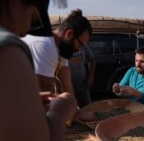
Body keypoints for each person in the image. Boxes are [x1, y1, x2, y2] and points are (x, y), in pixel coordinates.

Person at [0, 0, 76, 141]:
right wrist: (59, 114)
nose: (24, 33)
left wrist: (28, 101)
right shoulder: (8, 48)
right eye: (33, 20)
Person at [22, 9, 92, 95]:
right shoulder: (46, 46)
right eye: (80, 43)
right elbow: (45, 94)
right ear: (69, 34)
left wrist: (73, 105)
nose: (79, 49)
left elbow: (67, 87)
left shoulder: (63, 49)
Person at [69, 43, 96, 108]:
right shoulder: (64, 45)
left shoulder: (83, 44)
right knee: (70, 109)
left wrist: (91, 77)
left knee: (87, 108)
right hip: (68, 84)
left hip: (82, 82)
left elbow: (92, 60)